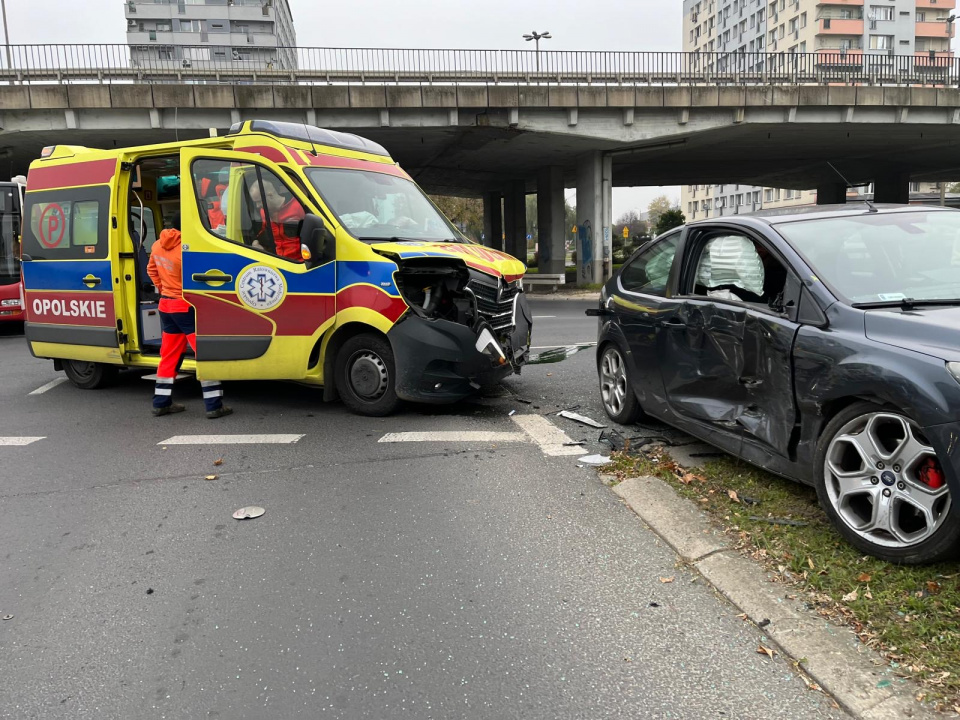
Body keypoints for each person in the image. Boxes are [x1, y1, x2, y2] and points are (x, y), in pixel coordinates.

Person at [146, 212, 233, 419]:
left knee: (168, 357)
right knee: (204, 354)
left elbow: (151, 270)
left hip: (166, 306)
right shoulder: (188, 248)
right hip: (185, 307)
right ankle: (214, 405)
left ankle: (161, 403)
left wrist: (163, 288)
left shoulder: (158, 244)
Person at [249, 174, 305, 261]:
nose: (257, 206)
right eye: (255, 202)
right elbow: (261, 233)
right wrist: (256, 242)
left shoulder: (297, 206)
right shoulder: (263, 212)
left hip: (299, 263)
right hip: (278, 262)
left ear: (270, 195)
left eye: (259, 201)